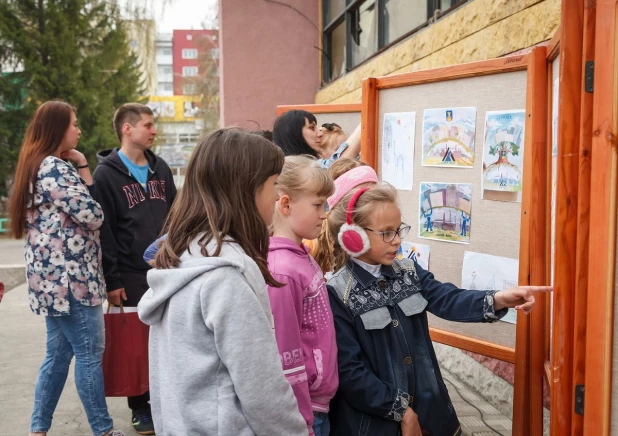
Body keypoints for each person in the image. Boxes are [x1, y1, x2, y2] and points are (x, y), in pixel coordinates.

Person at [325, 184, 551, 436]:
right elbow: (350, 372)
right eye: (387, 233)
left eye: (399, 230)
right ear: (354, 237)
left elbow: (447, 298)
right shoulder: (336, 293)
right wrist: (401, 411)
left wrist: (498, 299)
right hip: (375, 423)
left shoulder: (409, 271)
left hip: (431, 412)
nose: (397, 240)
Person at [137, 128, 307, 435]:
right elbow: (263, 390)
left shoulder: (182, 258)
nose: (277, 195)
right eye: (274, 184)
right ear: (246, 190)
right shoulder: (226, 277)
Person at [8, 100, 125, 436]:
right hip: (71, 279)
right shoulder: (55, 169)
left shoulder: (35, 165)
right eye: (74, 124)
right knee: (89, 354)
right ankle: (103, 430)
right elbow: (94, 215)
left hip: (52, 281)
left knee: (57, 356)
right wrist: (83, 168)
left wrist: (83, 162)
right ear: (58, 128)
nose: (79, 129)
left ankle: (38, 429)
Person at [93, 103, 176, 435]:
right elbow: (105, 230)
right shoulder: (106, 175)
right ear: (127, 129)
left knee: (166, 338)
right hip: (128, 274)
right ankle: (140, 408)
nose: (153, 130)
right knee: (135, 345)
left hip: (166, 269)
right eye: (148, 125)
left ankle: (163, 401)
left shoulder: (162, 169)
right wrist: (111, 279)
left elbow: (175, 216)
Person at [267, 156, 339, 436]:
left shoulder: (300, 257)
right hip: (304, 412)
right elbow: (287, 356)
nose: (324, 213)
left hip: (316, 405)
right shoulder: (283, 272)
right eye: (317, 205)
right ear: (286, 204)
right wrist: (303, 423)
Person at [312, 163, 378, 274]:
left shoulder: (380, 236)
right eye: (361, 199)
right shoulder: (312, 245)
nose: (372, 204)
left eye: (376, 196)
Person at [272, 110, 361, 168]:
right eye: (311, 128)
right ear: (295, 134)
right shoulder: (295, 167)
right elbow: (337, 165)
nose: (320, 133)